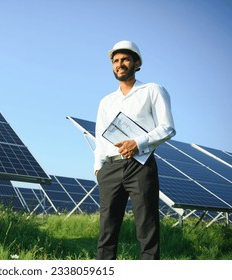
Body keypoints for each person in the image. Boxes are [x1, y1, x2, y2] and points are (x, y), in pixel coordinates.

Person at [94, 40, 176, 260]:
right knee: (107, 230)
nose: (120, 64)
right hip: (110, 168)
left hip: (140, 166)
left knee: (146, 227)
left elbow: (167, 128)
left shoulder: (152, 90)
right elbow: (100, 136)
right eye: (116, 61)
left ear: (137, 63)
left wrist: (137, 143)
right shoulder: (106, 101)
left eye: (125, 59)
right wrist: (98, 166)